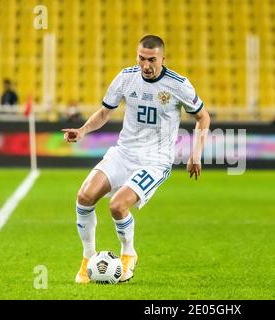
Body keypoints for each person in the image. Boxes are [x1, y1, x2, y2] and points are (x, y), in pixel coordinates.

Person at [62, 35, 211, 283]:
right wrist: (82, 130)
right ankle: (88, 258)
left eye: (152, 59)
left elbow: (203, 117)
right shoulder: (125, 77)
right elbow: (104, 112)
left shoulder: (178, 85)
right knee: (84, 197)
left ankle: (128, 254)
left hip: (155, 161)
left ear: (163, 58)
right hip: (123, 152)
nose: (146, 65)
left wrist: (196, 154)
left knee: (117, 206)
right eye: (141, 58)